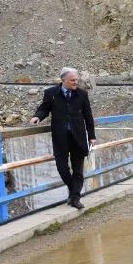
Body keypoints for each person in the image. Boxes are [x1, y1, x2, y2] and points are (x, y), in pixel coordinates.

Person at [30, 67, 96, 209]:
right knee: (62, 168)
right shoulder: (51, 93)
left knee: (78, 171)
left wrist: (92, 136)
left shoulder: (82, 94)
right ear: (63, 80)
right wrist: (37, 117)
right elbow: (44, 108)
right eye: (72, 80)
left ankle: (75, 199)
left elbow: (88, 116)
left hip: (78, 138)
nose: (76, 82)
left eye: (77, 80)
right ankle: (74, 192)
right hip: (60, 138)